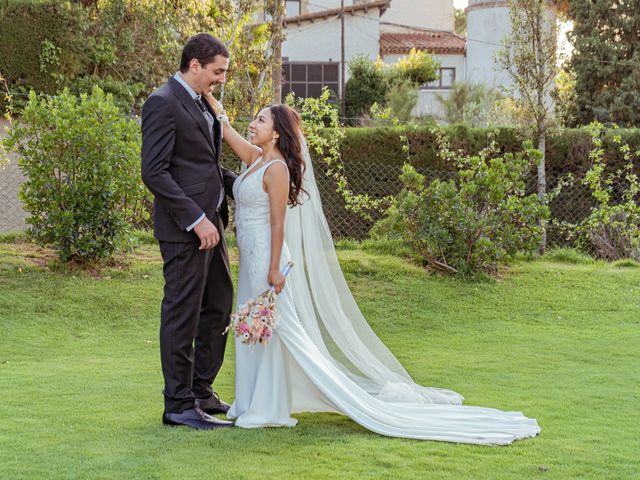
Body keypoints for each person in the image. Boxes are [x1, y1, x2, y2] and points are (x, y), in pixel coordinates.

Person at [207, 93, 541, 445]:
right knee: (256, 329)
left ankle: (271, 407)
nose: (254, 124)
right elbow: (228, 131)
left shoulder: (276, 170)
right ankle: (251, 402)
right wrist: (213, 103)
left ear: (276, 134)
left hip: (267, 259)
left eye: (261, 120)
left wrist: (274, 269)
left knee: (280, 330)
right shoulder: (257, 159)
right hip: (251, 258)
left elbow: (278, 225)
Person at [141, 34, 237, 430]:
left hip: (212, 222)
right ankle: (178, 404)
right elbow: (154, 172)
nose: (220, 80)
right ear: (194, 65)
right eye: (217, 72)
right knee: (182, 312)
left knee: (218, 304)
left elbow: (204, 164)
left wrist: (246, 184)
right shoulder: (162, 102)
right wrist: (195, 219)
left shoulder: (201, 103)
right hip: (186, 229)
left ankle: (200, 390)